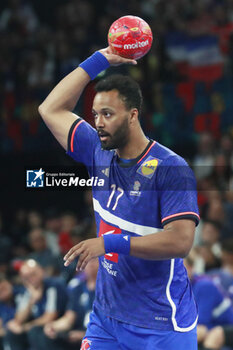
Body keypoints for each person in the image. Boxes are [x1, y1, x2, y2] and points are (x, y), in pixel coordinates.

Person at [39, 47, 200, 350]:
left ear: (133, 115)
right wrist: (98, 60)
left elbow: (180, 243)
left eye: (108, 114)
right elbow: (50, 109)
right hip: (106, 319)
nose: (98, 122)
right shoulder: (96, 150)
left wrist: (109, 243)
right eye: (96, 114)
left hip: (160, 325)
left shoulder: (171, 168)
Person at [5, 259, 67, 350]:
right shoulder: (27, 291)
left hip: (55, 326)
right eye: (26, 277)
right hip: (37, 330)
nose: (30, 279)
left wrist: (24, 328)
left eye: (33, 274)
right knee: (12, 333)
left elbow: (49, 317)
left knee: (34, 331)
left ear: (41, 271)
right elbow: (18, 319)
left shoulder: (53, 286)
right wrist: (31, 300)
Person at [43, 258, 98, 350]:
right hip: (78, 334)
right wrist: (53, 326)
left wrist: (84, 335)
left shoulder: (108, 289)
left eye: (94, 260)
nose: (90, 264)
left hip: (98, 336)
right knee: (47, 336)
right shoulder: (77, 288)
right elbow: (69, 319)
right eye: (86, 261)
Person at [184, 254, 233, 349]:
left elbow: (200, 327)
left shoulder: (204, 286)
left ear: (191, 268)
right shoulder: (182, 289)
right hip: (208, 330)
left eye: (181, 268)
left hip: (224, 333)